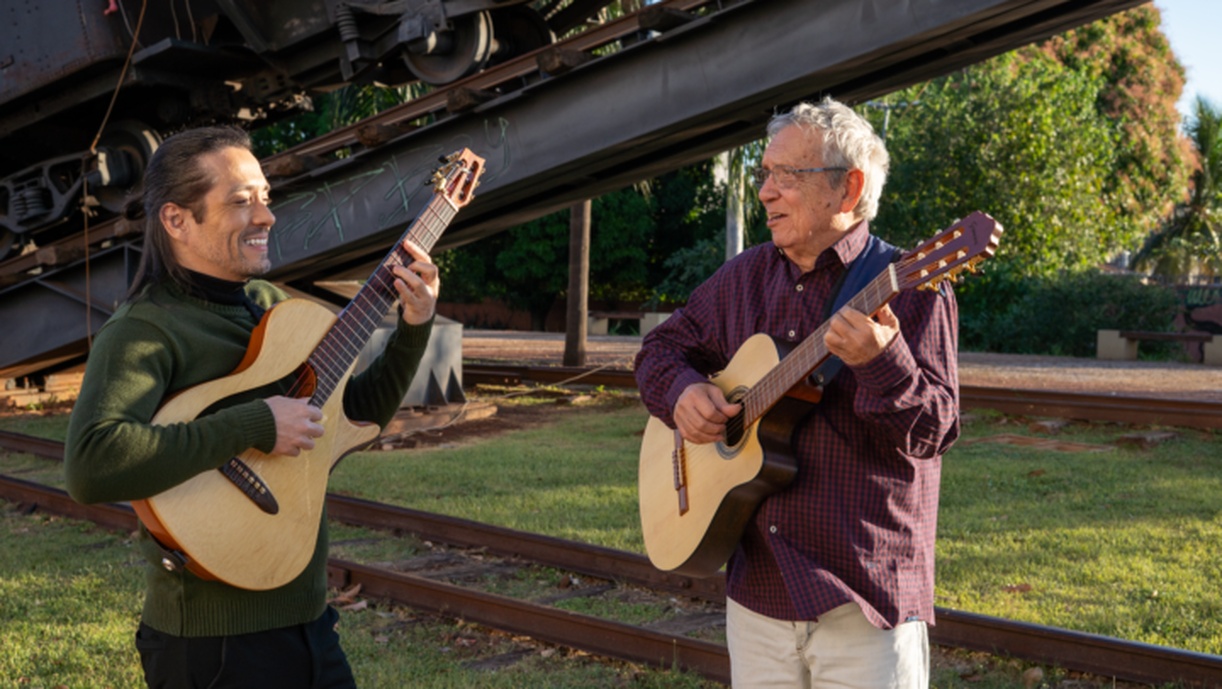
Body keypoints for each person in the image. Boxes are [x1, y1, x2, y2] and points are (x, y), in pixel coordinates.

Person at [64, 125, 440, 688]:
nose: (265, 216)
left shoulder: (271, 307)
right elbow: (92, 465)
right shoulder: (145, 330)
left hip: (310, 620)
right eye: (241, 201)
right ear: (176, 220)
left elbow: (353, 413)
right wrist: (254, 424)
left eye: (265, 197)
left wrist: (414, 325)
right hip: (212, 647)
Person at [634, 97, 959, 688]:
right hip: (758, 594)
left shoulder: (913, 289)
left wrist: (884, 364)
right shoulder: (744, 277)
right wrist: (681, 392)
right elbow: (659, 351)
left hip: (862, 601)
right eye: (765, 175)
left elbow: (936, 430)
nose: (765, 192)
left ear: (849, 188)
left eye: (788, 176)